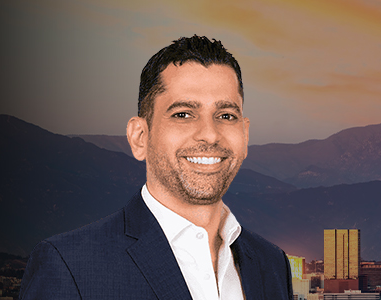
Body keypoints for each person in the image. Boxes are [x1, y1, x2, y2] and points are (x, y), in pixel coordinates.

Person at [18, 35, 292, 300]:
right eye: (183, 114)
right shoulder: (69, 266)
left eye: (226, 115)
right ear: (140, 137)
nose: (210, 134)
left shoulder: (272, 264)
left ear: (244, 136)